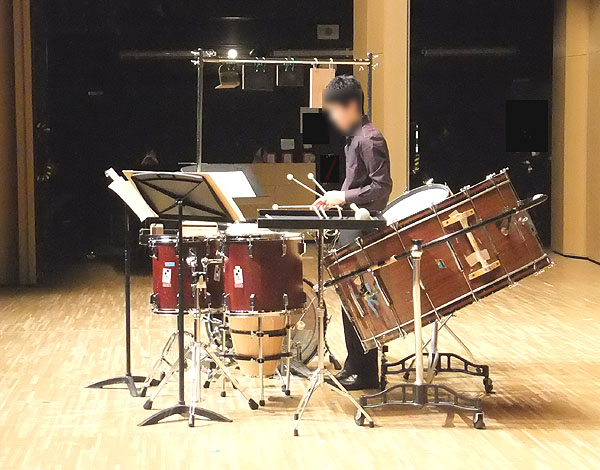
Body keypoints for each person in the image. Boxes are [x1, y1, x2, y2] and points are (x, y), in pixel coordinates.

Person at [312, 75, 393, 390]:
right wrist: (333, 199)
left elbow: (382, 187)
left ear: (350, 106)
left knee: (360, 299)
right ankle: (355, 366)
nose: (332, 118)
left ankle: (365, 372)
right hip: (353, 226)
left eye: (333, 111)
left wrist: (343, 197)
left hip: (363, 229)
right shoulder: (354, 138)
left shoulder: (369, 139)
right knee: (351, 300)